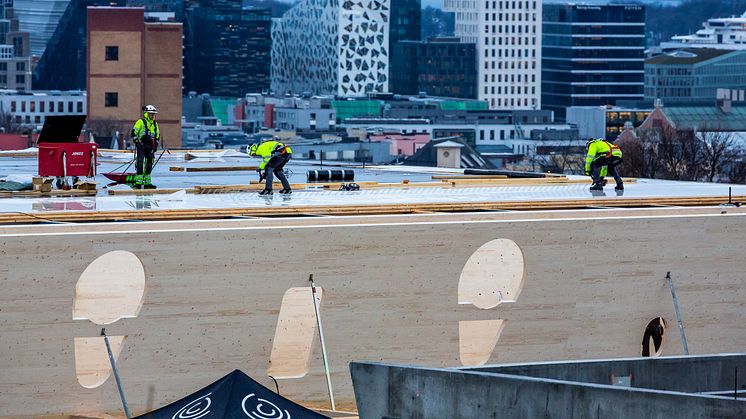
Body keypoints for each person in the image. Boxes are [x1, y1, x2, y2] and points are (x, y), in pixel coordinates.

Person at [130, 105, 160, 188]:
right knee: (140, 163)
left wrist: (155, 146)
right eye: (151, 114)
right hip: (142, 146)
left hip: (150, 147)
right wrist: (138, 143)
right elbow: (133, 133)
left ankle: (147, 183)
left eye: (153, 114)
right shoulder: (140, 122)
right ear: (146, 114)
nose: (152, 116)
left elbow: (157, 136)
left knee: (149, 164)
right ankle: (138, 183)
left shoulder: (155, 124)